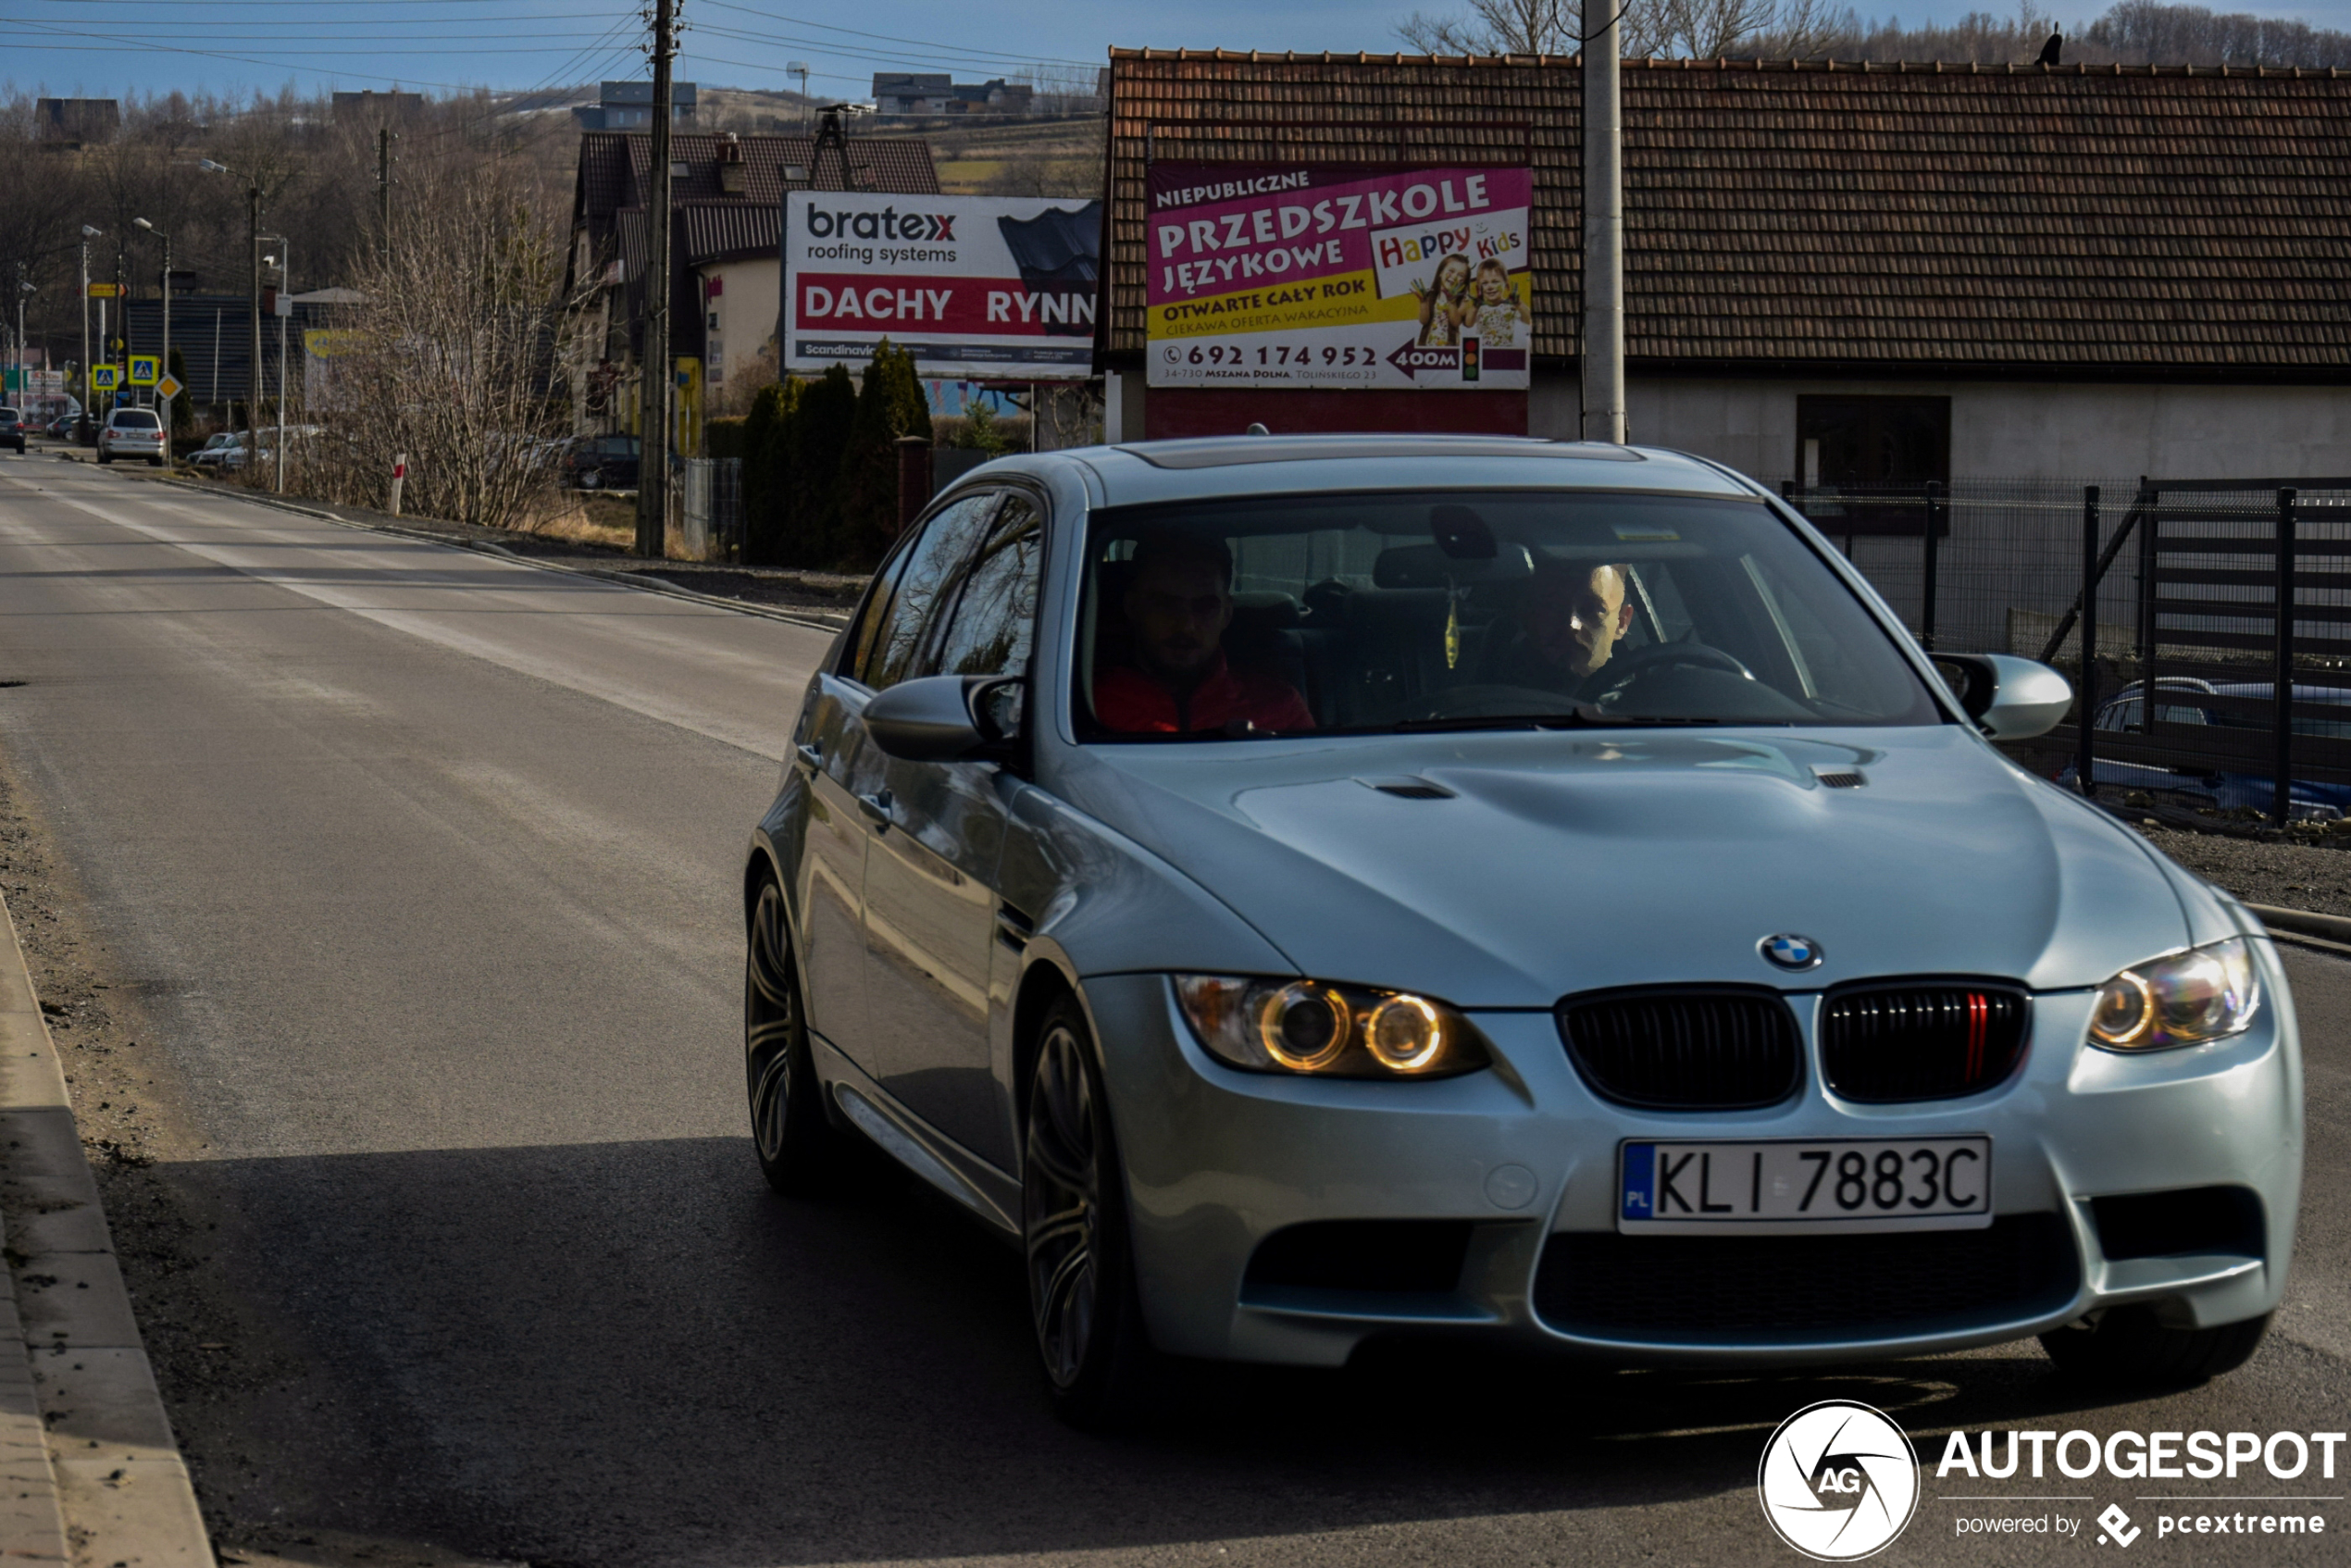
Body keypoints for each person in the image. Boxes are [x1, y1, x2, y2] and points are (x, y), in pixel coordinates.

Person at [1092, 531, 1314, 735]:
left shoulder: (1279, 707)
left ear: (1227, 614)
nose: (1186, 625)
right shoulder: (1085, 705)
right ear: (1133, 607)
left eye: (1205, 607)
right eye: (1166, 604)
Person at [1480, 560, 1636, 692]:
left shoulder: (1642, 701)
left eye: (1590, 609)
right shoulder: (1498, 686)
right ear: (1530, 614)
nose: (1571, 624)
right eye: (1553, 607)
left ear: (1622, 621)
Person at [1411, 254, 1473, 347]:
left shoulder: (1463, 301)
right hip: (1427, 346)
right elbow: (1423, 321)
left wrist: (1452, 302)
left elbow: (1455, 323)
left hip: (1450, 348)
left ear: (1464, 281)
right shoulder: (1430, 296)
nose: (1454, 277)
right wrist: (1423, 303)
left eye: (1461, 275)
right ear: (1440, 272)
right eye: (1451, 271)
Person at [1468, 258, 1531, 347]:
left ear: (1506, 284)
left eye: (1495, 282)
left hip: (1505, 353)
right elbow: (1469, 323)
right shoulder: (1480, 307)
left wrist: (1519, 304)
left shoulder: (1511, 307)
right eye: (1485, 283)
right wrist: (1475, 307)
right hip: (1484, 353)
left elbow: (1529, 320)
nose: (1490, 287)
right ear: (1478, 288)